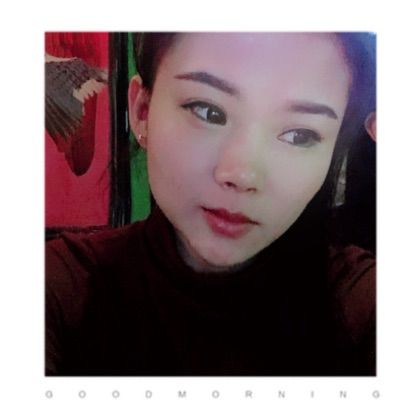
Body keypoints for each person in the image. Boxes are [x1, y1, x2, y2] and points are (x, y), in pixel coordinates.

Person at [46, 32, 376, 376]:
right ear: (142, 112)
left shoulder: (360, 302)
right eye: (208, 112)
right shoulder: (60, 288)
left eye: (299, 135)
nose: (243, 175)